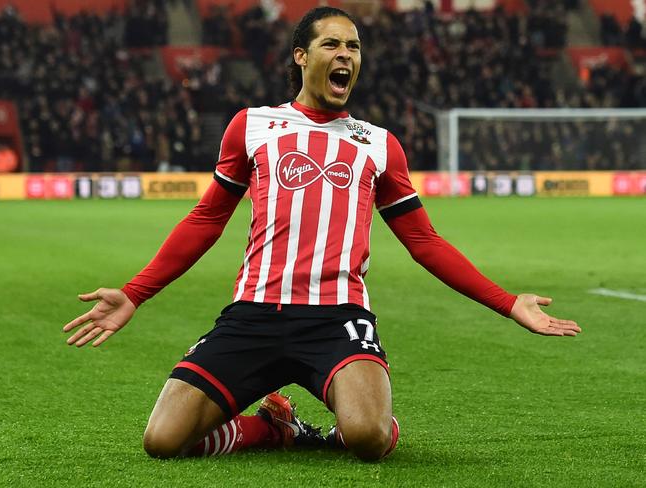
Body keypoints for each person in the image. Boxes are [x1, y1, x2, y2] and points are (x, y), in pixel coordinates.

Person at [63, 7, 581, 462]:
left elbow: (424, 241)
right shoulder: (253, 125)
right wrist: (135, 293)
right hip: (254, 314)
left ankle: (351, 424)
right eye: (331, 43)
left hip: (338, 319)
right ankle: (270, 427)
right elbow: (206, 219)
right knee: (162, 440)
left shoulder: (378, 145)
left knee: (368, 438)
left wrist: (509, 303)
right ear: (301, 57)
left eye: (353, 46)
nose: (345, 54)